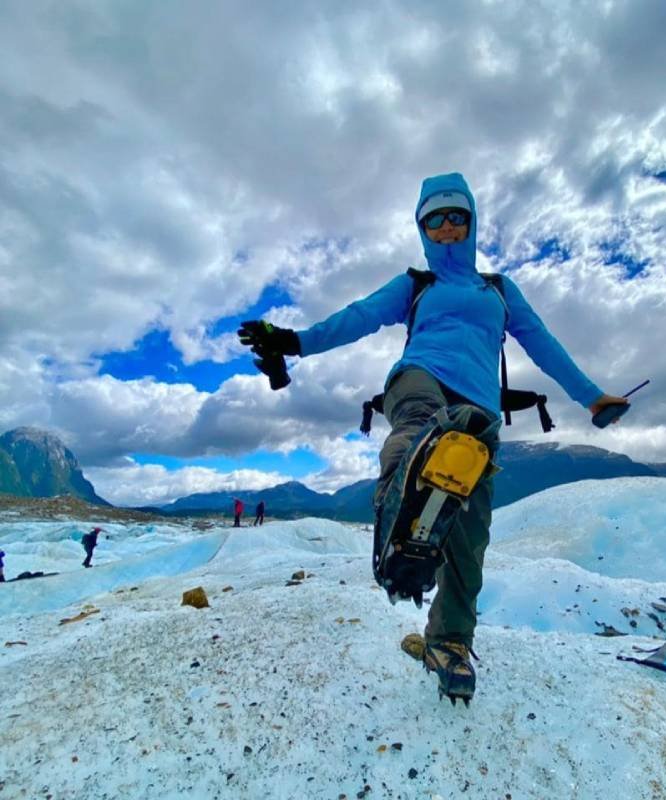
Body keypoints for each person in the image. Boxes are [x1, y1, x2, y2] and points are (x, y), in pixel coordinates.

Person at [238, 172, 628, 702]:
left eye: (456, 217)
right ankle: (396, 503)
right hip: (419, 378)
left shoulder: (500, 290)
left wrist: (592, 397)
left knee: (470, 536)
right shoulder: (416, 286)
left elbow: (545, 344)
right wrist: (295, 342)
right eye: (435, 220)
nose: (447, 227)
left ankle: (448, 642)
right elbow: (360, 317)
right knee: (421, 428)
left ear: (471, 222)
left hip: (480, 414)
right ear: (422, 228)